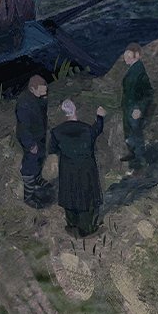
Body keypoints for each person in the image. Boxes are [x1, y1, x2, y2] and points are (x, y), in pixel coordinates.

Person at [50, 99, 106, 236]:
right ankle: (87, 229)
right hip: (86, 170)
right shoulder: (86, 129)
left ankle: (72, 225)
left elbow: (52, 149)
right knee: (87, 197)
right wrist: (100, 116)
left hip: (68, 170)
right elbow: (98, 129)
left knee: (69, 195)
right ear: (75, 110)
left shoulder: (56, 131)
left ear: (64, 112)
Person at [16, 73, 50, 208]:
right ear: (32, 89)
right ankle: (28, 197)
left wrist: (44, 99)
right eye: (41, 91)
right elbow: (23, 127)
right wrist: (30, 144)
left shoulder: (37, 97)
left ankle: (37, 178)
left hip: (39, 134)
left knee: (40, 157)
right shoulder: (24, 104)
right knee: (30, 164)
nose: (44, 93)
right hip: (30, 138)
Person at [119, 43, 153, 165]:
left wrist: (139, 108)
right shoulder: (133, 69)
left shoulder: (139, 71)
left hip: (135, 107)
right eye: (125, 55)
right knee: (130, 131)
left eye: (128, 55)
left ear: (137, 55)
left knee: (136, 132)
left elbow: (148, 92)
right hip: (128, 107)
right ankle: (133, 153)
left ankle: (140, 159)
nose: (125, 58)